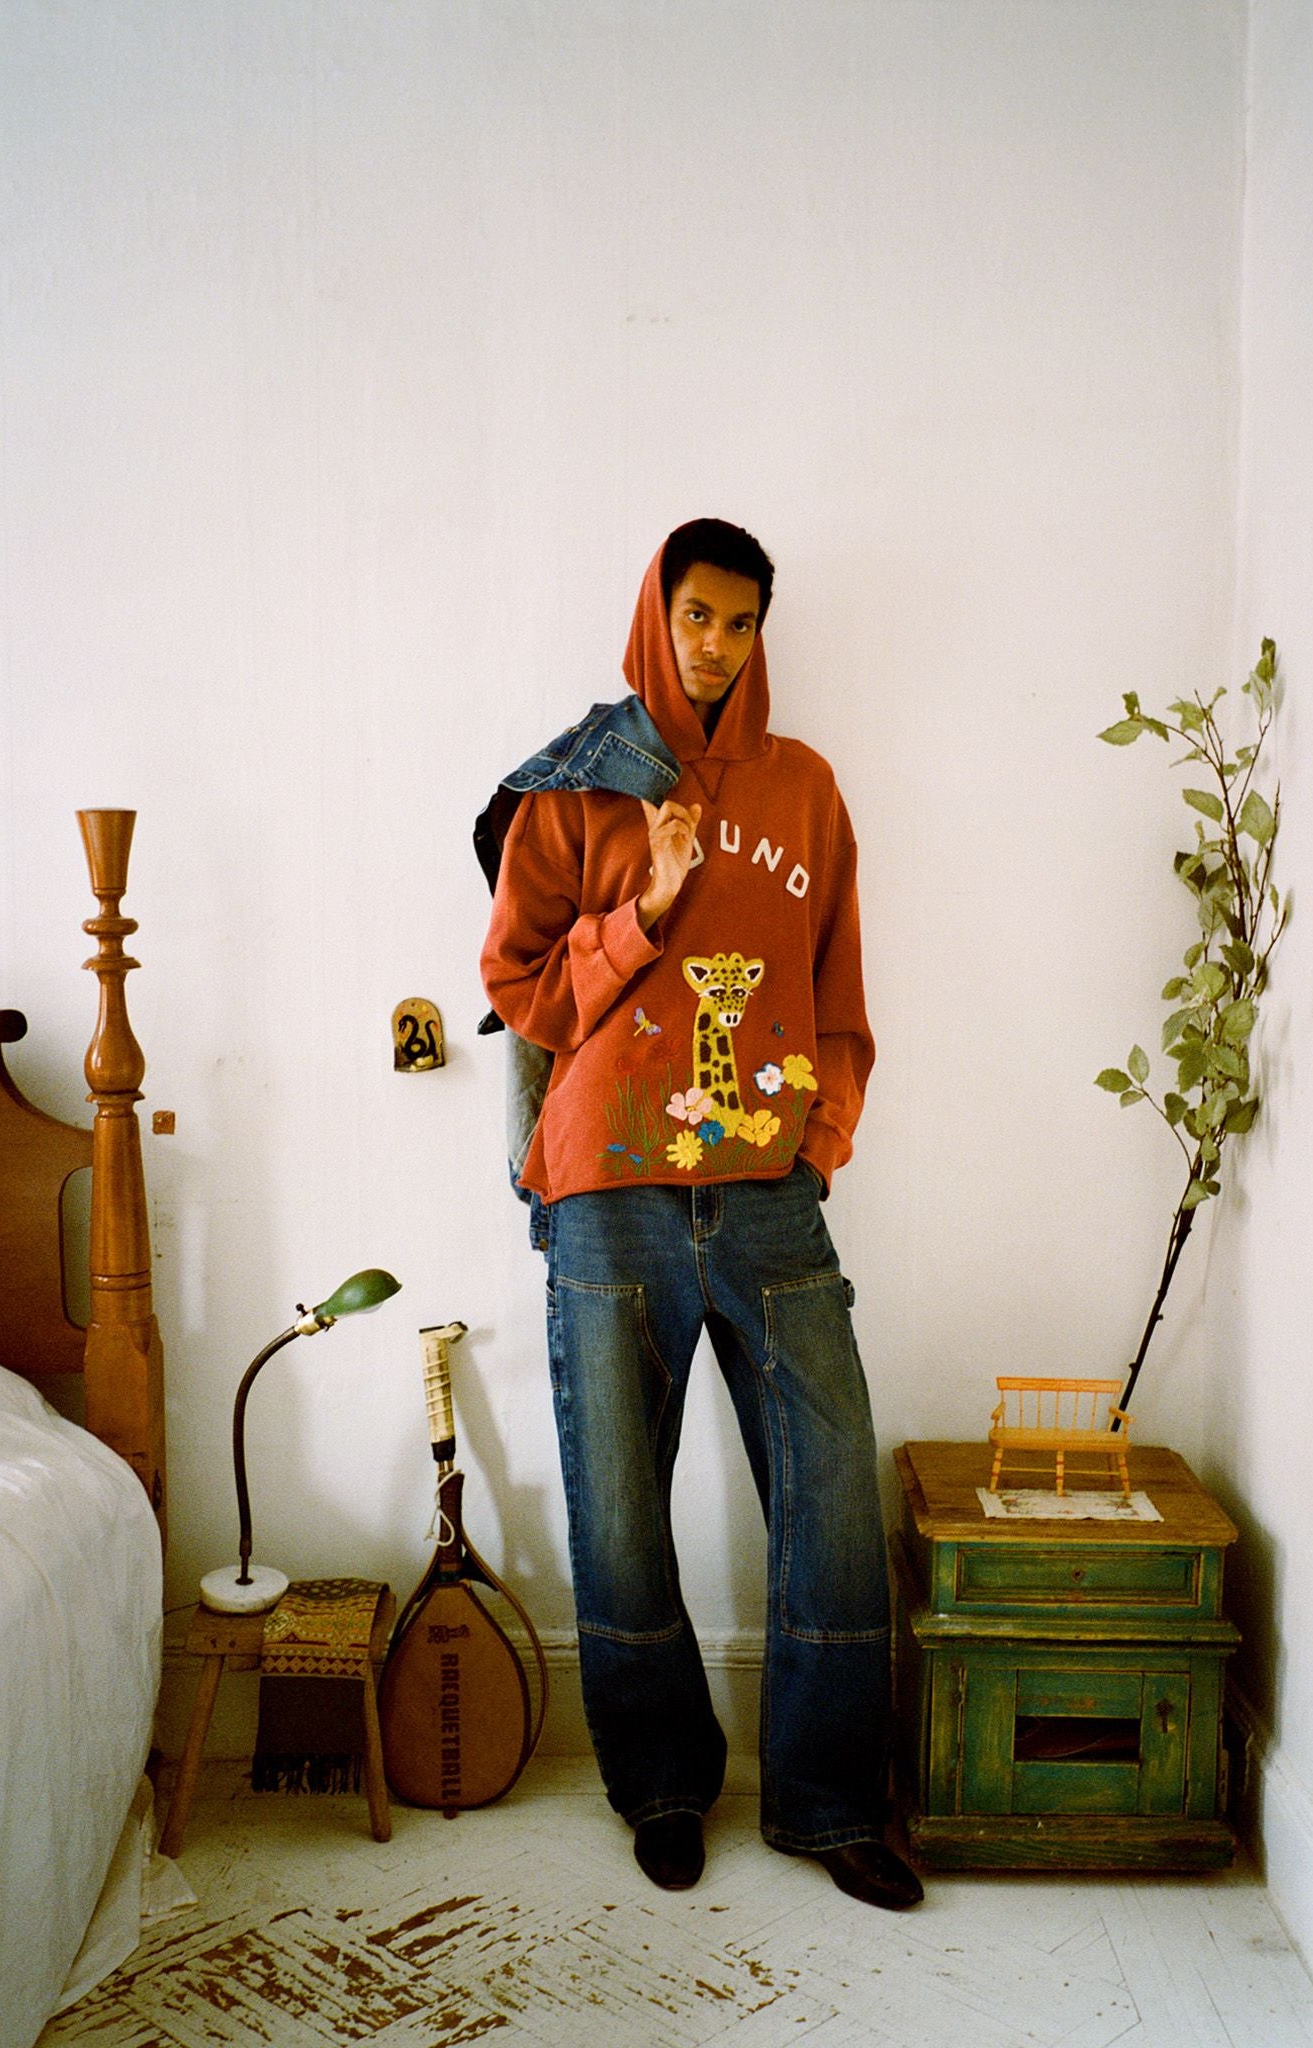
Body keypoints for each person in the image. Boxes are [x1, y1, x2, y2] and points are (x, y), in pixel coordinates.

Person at [481, 519, 921, 1910]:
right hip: (608, 1193)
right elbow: (518, 989)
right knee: (618, 1512)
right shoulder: (575, 793)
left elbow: (840, 990)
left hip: (768, 1193)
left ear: (759, 633)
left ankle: (830, 1798)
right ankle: (662, 1786)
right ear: (654, 616)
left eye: (738, 621)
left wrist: (821, 1137)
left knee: (832, 1496)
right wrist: (645, 904)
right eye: (694, 616)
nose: (714, 644)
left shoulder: (806, 791)